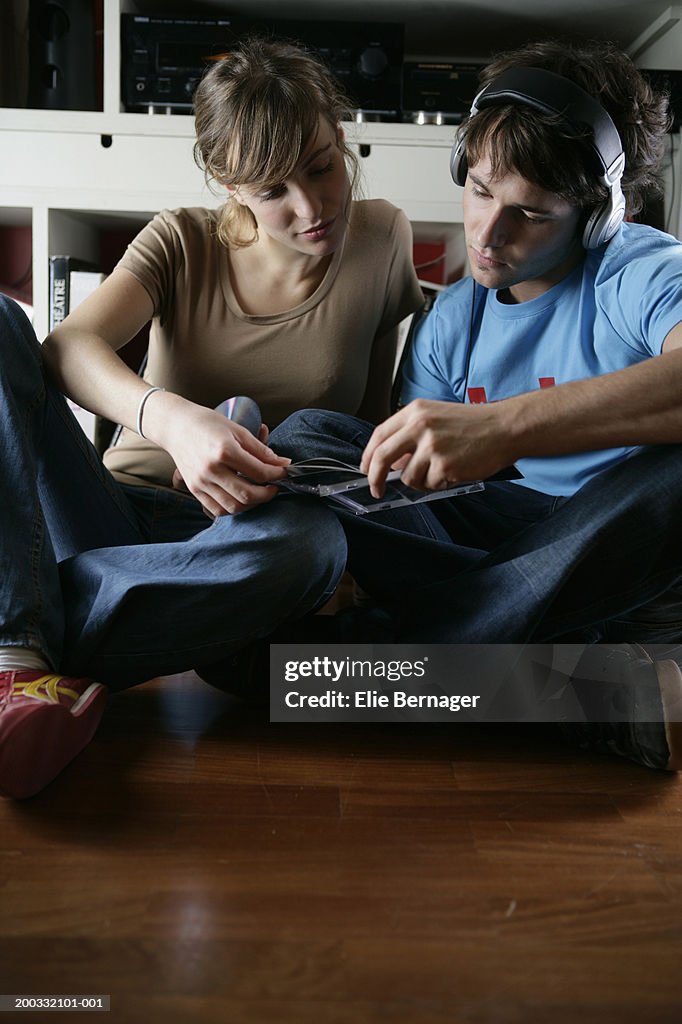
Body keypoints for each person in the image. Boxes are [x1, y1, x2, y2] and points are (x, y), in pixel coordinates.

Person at [0, 37, 424, 799]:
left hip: (230, 549)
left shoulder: (383, 238)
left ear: (341, 132)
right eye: (271, 190)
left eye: (323, 167)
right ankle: (19, 654)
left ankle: (28, 632)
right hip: (114, 513)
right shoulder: (181, 240)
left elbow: (371, 419)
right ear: (228, 184)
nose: (311, 207)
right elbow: (68, 347)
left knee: (314, 544)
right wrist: (173, 421)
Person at [270, 39, 682, 772]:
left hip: (626, 563)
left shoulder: (637, 268)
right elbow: (409, 510)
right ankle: (587, 690)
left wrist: (503, 427)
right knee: (310, 437)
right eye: (483, 191)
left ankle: (388, 675)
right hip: (511, 560)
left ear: (595, 217)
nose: (489, 234)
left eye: (532, 214)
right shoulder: (451, 321)